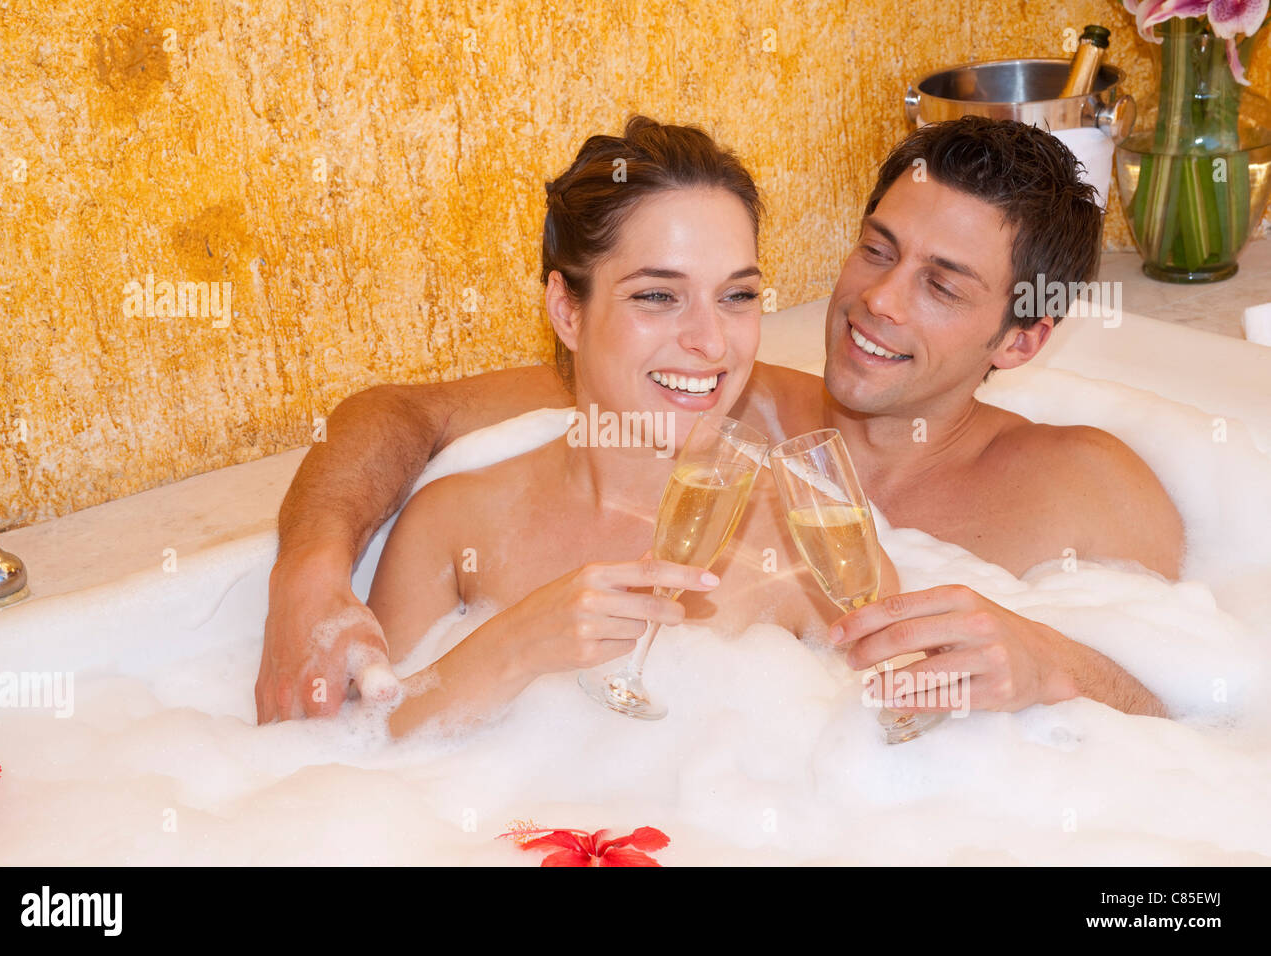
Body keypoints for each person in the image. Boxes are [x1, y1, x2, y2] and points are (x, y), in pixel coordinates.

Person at [255, 116, 1181, 726]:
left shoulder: (1085, 494)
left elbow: (1195, 746)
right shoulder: (711, 398)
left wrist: (1053, 666)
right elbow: (400, 413)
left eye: (942, 285)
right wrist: (308, 570)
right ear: (567, 311)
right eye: (875, 250)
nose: (880, 302)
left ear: (1020, 343)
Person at [361, 117, 896, 734]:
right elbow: (361, 750)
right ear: (567, 311)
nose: (710, 341)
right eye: (657, 296)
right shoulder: (453, 526)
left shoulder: (812, 547)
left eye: (737, 296)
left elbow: (893, 769)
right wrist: (516, 645)